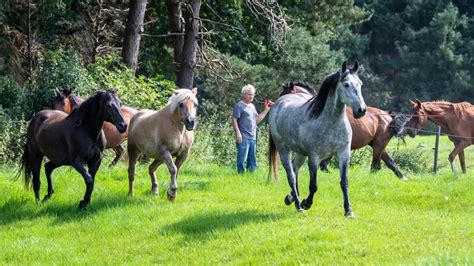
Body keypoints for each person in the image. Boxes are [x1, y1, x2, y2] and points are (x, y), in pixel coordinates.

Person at [232, 84, 272, 174]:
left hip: (253, 137)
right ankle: (241, 177)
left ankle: (251, 177)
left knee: (252, 161)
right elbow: (234, 120)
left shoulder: (252, 106)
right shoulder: (239, 106)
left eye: (253, 94)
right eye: (250, 94)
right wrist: (238, 133)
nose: (252, 96)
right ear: (244, 94)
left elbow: (256, 120)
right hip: (243, 137)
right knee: (242, 160)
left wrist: (266, 110)